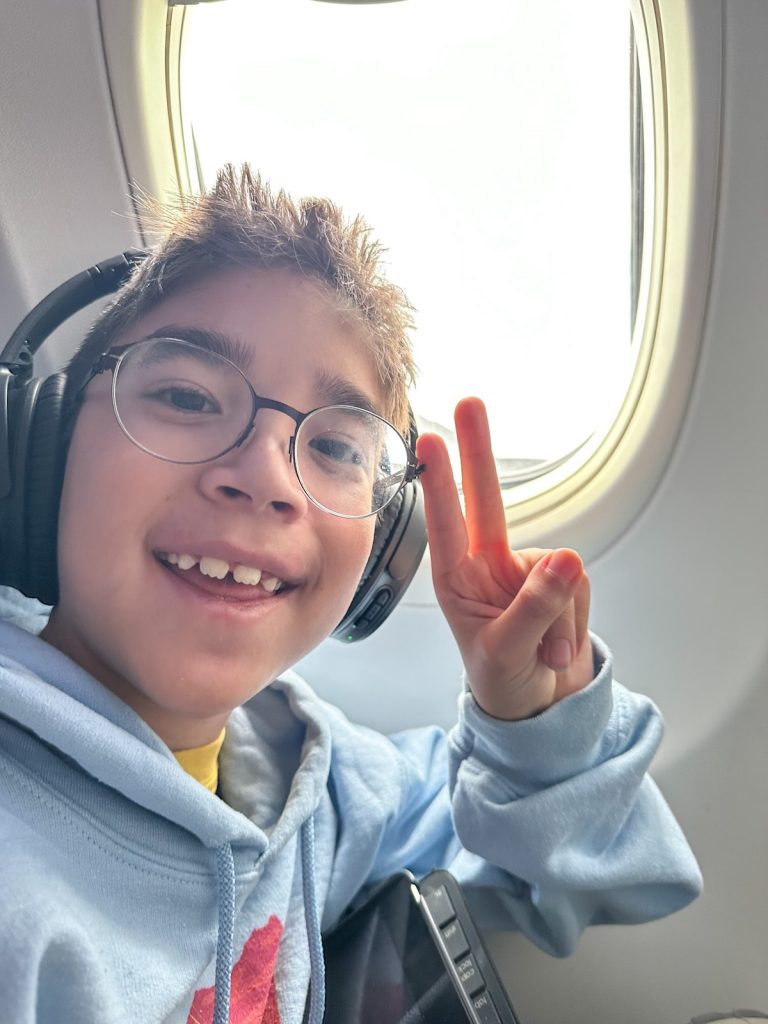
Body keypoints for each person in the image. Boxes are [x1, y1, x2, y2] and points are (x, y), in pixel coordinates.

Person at [0, 166, 702, 1024]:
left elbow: (580, 874)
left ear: (382, 555)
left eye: (336, 448)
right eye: (186, 396)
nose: (266, 479)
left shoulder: (312, 782)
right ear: (43, 445)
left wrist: (528, 726)